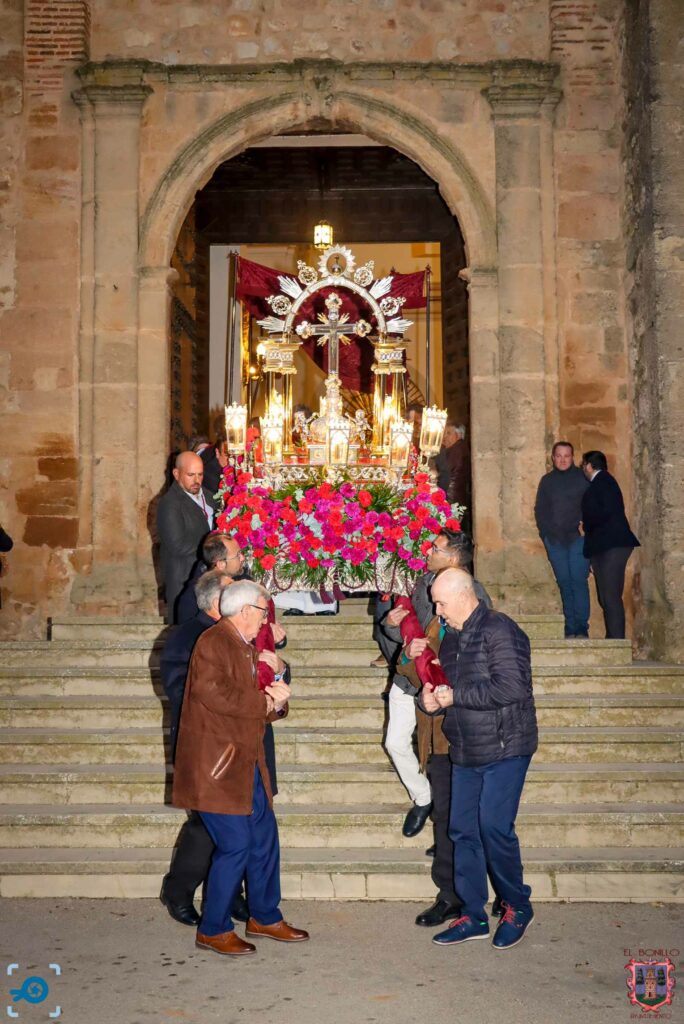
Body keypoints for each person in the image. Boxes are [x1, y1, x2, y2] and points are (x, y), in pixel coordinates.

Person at [172, 580, 309, 955]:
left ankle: (264, 915)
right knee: (235, 846)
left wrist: (277, 689)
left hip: (246, 761)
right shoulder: (215, 641)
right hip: (217, 767)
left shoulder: (245, 645)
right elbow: (214, 693)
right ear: (247, 611)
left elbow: (260, 703)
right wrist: (264, 703)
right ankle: (213, 928)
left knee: (264, 840)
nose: (267, 621)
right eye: (264, 612)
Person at [383, 530, 492, 928]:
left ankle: (493, 892)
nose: (436, 609)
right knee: (448, 816)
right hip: (438, 732)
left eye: (442, 605)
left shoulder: (478, 612)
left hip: (467, 727)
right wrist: (404, 645)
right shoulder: (421, 588)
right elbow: (403, 649)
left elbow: (483, 670)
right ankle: (452, 895)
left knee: (479, 820)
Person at [425, 568, 537, 951]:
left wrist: (454, 697)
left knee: (493, 828)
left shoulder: (500, 630)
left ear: (463, 595)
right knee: (462, 833)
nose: (437, 611)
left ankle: (517, 906)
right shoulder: (452, 642)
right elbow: (455, 693)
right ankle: (473, 915)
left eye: (440, 602)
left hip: (507, 746)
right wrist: (434, 702)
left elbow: (511, 687)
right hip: (467, 750)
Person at [581, 450, 640, 639]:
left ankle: (616, 642)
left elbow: (604, 513)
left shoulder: (603, 482)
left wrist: (586, 525)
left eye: (583, 465)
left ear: (589, 465)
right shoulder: (603, 483)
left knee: (611, 596)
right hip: (605, 546)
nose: (583, 468)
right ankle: (613, 639)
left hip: (612, 545)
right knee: (605, 597)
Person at [534, 441, 590, 638]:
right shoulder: (547, 481)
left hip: (579, 540)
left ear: (572, 457)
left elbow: (593, 505)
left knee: (578, 581)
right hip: (555, 541)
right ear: (553, 458)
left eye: (567, 456)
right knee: (565, 583)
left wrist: (588, 527)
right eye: (559, 455)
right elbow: (540, 510)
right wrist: (546, 536)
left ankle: (581, 627)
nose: (563, 459)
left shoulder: (583, 479)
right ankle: (570, 626)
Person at [156, 451, 216, 623]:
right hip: (184, 580)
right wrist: (214, 547)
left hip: (209, 579)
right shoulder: (170, 503)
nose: (196, 480)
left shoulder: (210, 497)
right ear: (177, 474)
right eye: (190, 475)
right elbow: (177, 545)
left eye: (200, 474)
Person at [176, 532, 247, 623]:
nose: (242, 558)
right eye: (238, 555)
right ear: (221, 564)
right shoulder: (191, 599)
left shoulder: (243, 581)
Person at [435, 423, 468, 507]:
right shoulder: (457, 448)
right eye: (444, 433)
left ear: (459, 435)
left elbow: (447, 472)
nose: (444, 436)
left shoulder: (457, 449)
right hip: (454, 497)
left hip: (451, 498)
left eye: (448, 433)